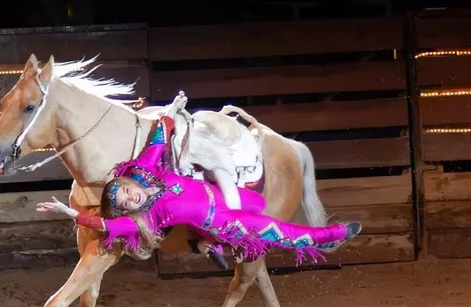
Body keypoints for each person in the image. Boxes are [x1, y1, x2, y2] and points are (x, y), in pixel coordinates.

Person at [37, 93, 362, 266]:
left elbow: (158, 141)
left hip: (236, 197)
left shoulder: (151, 170)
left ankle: (206, 243)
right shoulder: (150, 215)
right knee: (282, 234)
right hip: (223, 222)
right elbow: (108, 226)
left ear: (129, 182)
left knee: (256, 204)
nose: (129, 199)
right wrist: (71, 214)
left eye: (124, 192)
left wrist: (171, 112)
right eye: (124, 204)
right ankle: (333, 235)